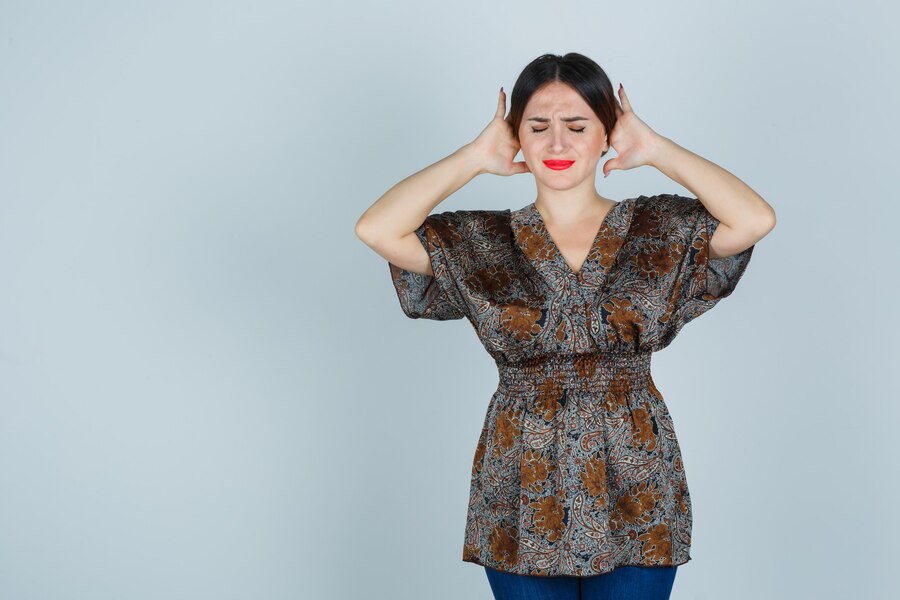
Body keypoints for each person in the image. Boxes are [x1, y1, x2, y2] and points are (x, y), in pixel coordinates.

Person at [355, 52, 775, 600]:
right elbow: (376, 227)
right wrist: (474, 157)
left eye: (577, 126)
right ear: (516, 137)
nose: (557, 144)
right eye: (538, 127)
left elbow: (754, 219)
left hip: (636, 476)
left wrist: (655, 149)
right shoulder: (483, 242)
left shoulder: (658, 227)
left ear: (607, 133)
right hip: (521, 481)